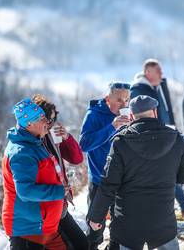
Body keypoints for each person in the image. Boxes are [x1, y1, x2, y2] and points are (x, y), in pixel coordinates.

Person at [87, 95, 184, 250]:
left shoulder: (121, 142)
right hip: (163, 222)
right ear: (155, 112)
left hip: (128, 225)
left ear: (132, 115)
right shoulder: (175, 138)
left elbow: (108, 184)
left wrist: (95, 216)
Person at [2, 98, 67, 249]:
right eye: (42, 118)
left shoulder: (34, 142)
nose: (48, 122)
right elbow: (25, 191)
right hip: (27, 228)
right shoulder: (22, 152)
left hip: (42, 224)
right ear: (29, 124)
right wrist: (58, 191)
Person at [131, 58, 184, 218]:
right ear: (148, 72)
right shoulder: (139, 90)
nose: (161, 74)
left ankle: (183, 205)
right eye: (158, 71)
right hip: (153, 139)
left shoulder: (156, 86)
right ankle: (183, 205)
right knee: (168, 173)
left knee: (171, 171)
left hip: (165, 134)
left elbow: (166, 110)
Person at [32, 94, 88, 249]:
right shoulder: (31, 145)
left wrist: (67, 137)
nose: (50, 125)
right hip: (44, 209)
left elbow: (76, 159)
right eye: (47, 121)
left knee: (81, 243)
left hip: (59, 205)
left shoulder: (52, 137)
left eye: (52, 120)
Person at [79, 82, 131, 250]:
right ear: (107, 98)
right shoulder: (94, 114)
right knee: (95, 226)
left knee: (120, 225)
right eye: (119, 100)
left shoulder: (129, 113)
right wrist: (112, 127)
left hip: (122, 178)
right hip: (99, 180)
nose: (124, 105)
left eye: (127, 100)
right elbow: (84, 144)